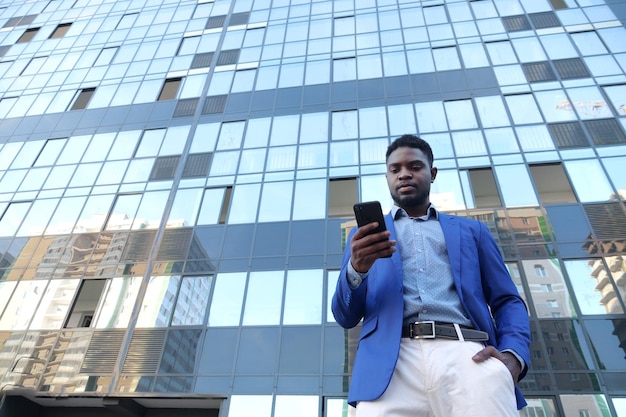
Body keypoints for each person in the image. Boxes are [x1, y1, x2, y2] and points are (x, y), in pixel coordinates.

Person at [332, 134, 531, 417]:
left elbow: (508, 300)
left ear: (432, 173)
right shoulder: (362, 237)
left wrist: (513, 356)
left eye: (414, 166)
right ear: (387, 177)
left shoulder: (472, 231)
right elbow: (345, 316)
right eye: (395, 169)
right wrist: (357, 269)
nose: (404, 174)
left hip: (469, 356)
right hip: (388, 367)